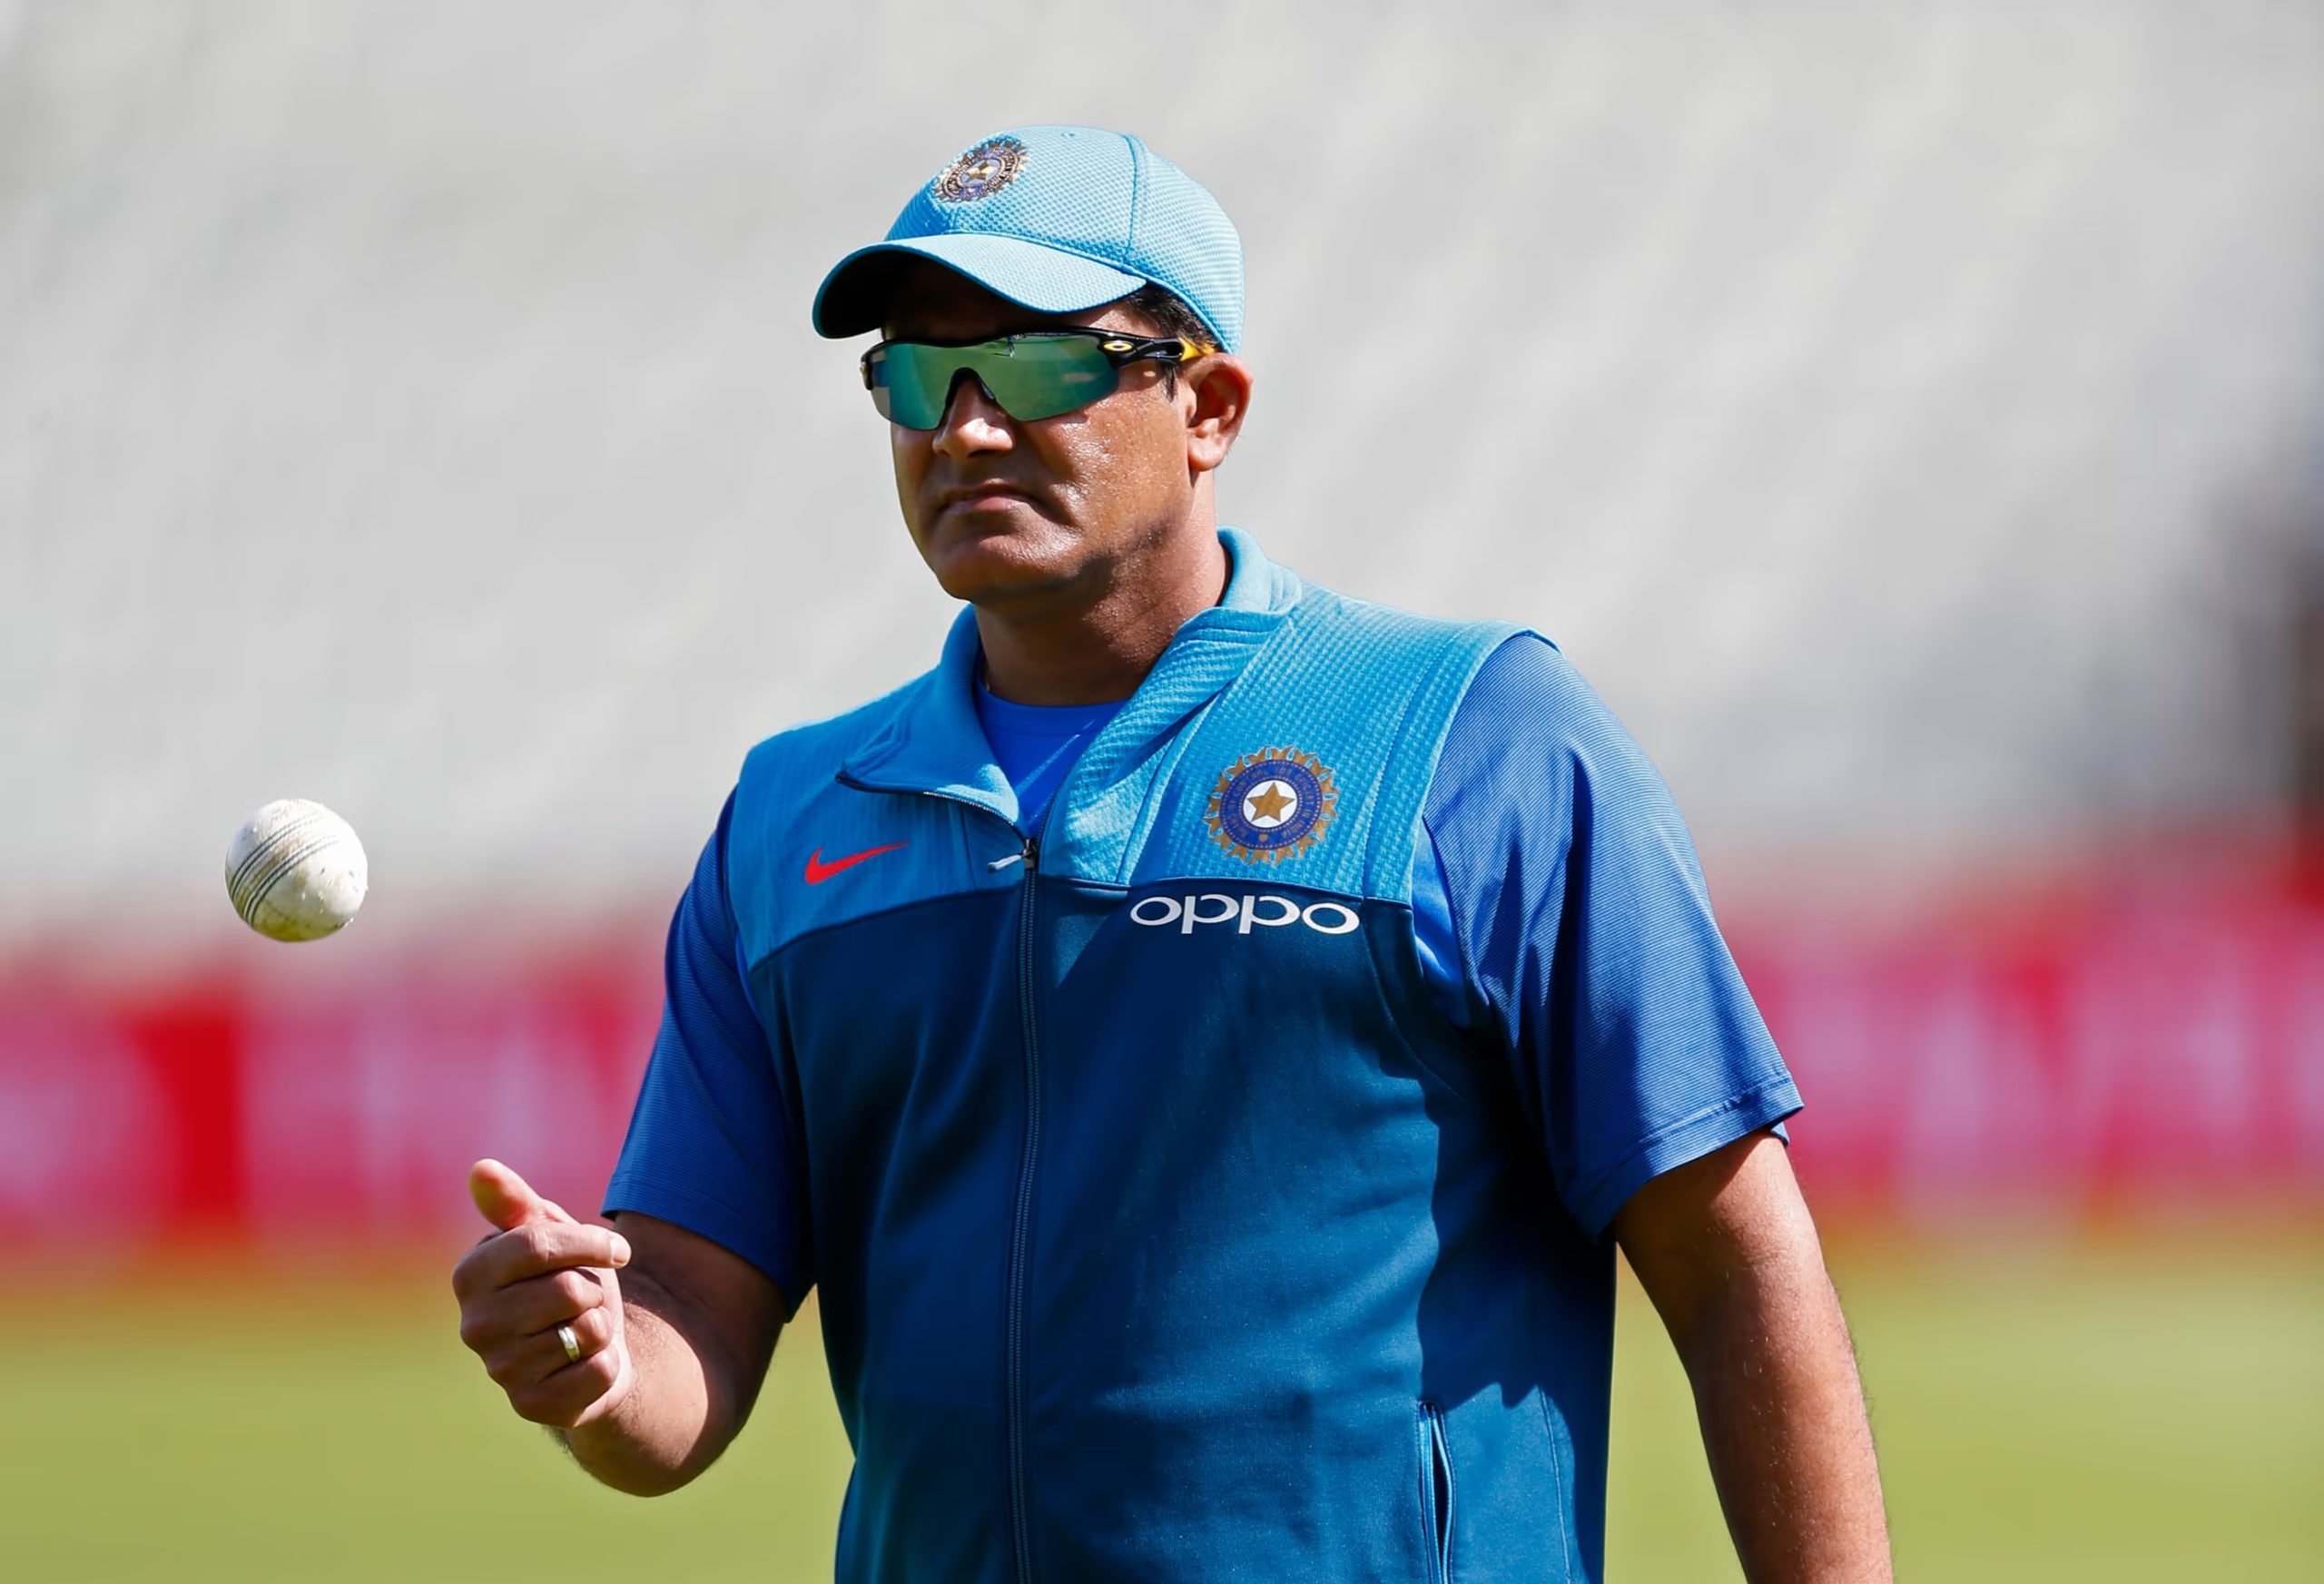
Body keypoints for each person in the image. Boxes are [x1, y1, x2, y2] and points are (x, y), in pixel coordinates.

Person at [451, 124, 1892, 1583]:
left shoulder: (1477, 733)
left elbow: (1736, 1264)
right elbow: (691, 1312)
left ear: (1208, 406)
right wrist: (604, 1358)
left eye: (1033, 365)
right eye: (918, 376)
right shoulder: (792, 817)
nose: (964, 429)